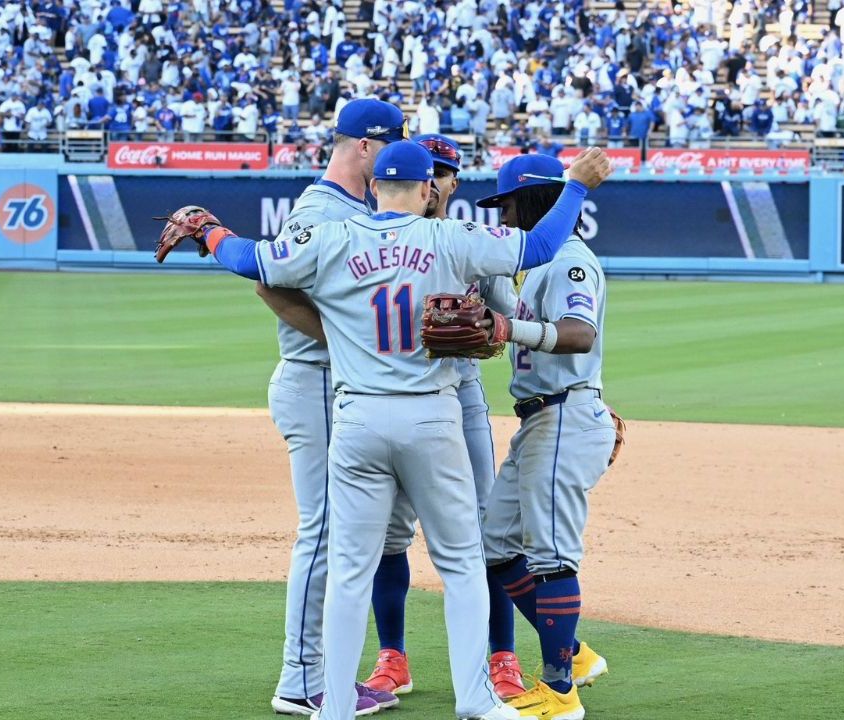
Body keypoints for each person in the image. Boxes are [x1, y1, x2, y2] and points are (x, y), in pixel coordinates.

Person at [155, 141, 612, 720]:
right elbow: (544, 244)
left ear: (374, 188)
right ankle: (476, 699)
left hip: (357, 419)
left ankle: (336, 706)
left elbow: (253, 262)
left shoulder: (333, 238)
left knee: (349, 569)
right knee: (463, 562)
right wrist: (576, 186)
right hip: (430, 416)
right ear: (428, 191)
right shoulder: (451, 236)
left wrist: (211, 231)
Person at [250, 99, 408, 717]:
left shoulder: (351, 208)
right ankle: (302, 679)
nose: (394, 162)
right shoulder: (321, 209)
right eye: (389, 149)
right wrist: (347, 337)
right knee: (323, 530)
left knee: (342, 531)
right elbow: (269, 283)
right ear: (363, 147)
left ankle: (322, 671)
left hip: (332, 383)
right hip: (315, 380)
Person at [361, 134, 526, 701]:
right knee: (387, 533)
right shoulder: (374, 235)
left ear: (451, 183)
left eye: (443, 171)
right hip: (389, 398)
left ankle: (502, 657)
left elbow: (511, 316)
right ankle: (392, 658)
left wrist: (487, 322)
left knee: (486, 530)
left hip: (461, 394)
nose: (433, 180)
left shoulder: (471, 243)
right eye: (426, 169)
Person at [476, 154, 616, 720]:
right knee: (494, 544)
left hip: (564, 415)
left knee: (551, 557)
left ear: (534, 199)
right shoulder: (536, 265)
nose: (503, 216)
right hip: (540, 419)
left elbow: (580, 335)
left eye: (507, 203)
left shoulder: (572, 262)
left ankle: (561, 695)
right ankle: (575, 655)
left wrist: (511, 326)